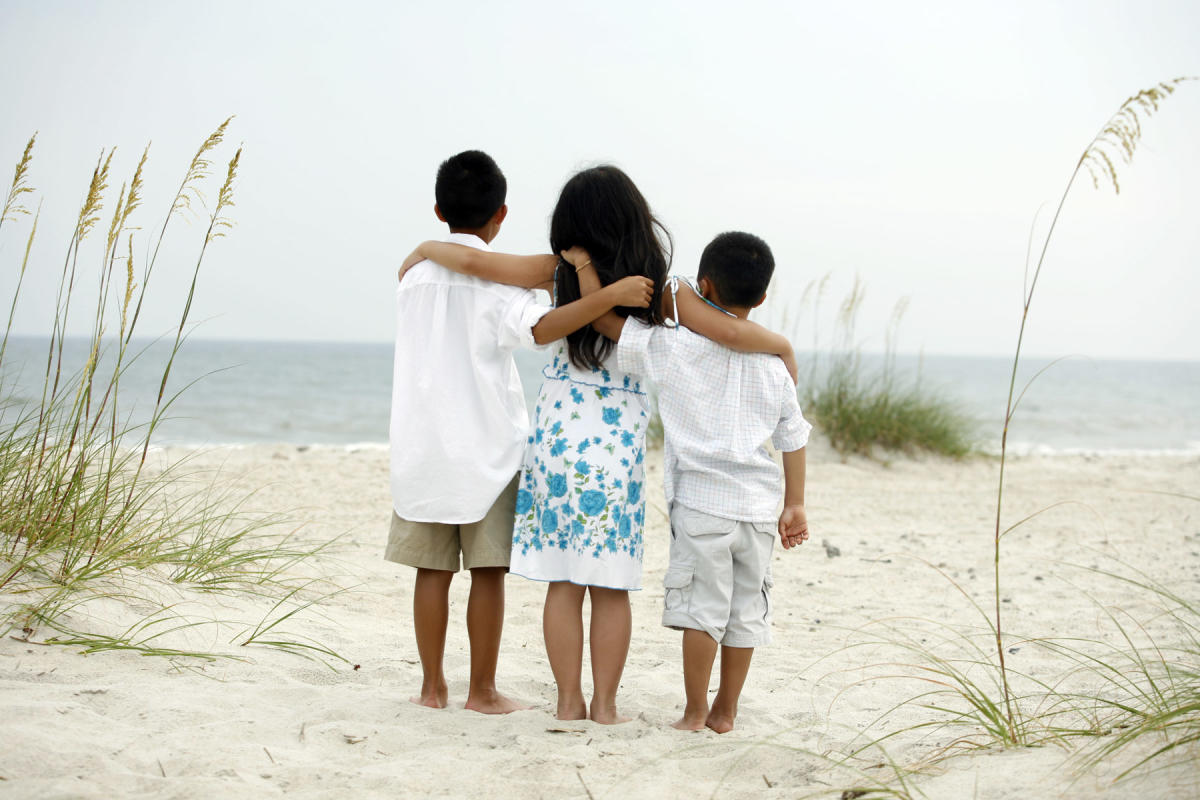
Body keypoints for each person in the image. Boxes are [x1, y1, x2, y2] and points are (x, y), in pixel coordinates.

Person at [400, 167, 795, 725]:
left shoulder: (559, 269)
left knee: (563, 580)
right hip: (618, 439)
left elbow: (475, 263)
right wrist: (784, 349)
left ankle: (569, 702)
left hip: (559, 429)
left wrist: (426, 247)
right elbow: (730, 332)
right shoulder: (659, 286)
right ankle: (605, 706)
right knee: (610, 582)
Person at [387, 151, 653, 715]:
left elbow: (470, 267)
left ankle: (432, 689)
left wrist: (428, 247)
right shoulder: (511, 286)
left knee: (430, 571)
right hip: (487, 446)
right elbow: (539, 326)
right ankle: (481, 691)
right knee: (487, 572)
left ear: (438, 209)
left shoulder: (412, 278)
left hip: (422, 444)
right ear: (501, 213)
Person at [567, 230, 811, 733]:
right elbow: (793, 436)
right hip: (759, 509)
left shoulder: (674, 347)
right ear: (762, 297)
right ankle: (726, 711)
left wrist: (586, 269)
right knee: (745, 614)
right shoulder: (774, 366)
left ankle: (695, 710)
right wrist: (796, 503)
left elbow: (604, 322)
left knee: (702, 611)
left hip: (702, 503)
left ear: (704, 286)